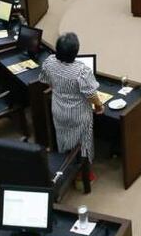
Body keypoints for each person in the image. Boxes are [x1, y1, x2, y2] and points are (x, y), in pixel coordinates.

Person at [43, 32, 104, 178]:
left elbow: (49, 83)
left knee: (63, 137)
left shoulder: (49, 62)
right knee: (84, 143)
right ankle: (85, 175)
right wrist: (99, 106)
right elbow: (91, 95)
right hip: (79, 115)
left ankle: (65, 165)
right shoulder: (82, 71)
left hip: (58, 110)